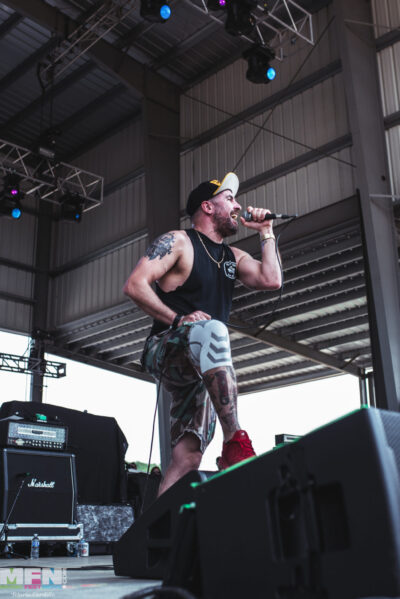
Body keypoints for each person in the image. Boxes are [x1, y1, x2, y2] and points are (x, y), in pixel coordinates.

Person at [123, 172, 281, 495]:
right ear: (208, 207)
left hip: (201, 366)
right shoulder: (180, 242)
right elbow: (135, 284)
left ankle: (162, 526)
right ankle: (234, 440)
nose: (238, 206)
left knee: (188, 457)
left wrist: (266, 231)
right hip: (166, 347)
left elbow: (271, 279)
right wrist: (178, 319)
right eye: (229, 199)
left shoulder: (233, 257)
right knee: (213, 329)